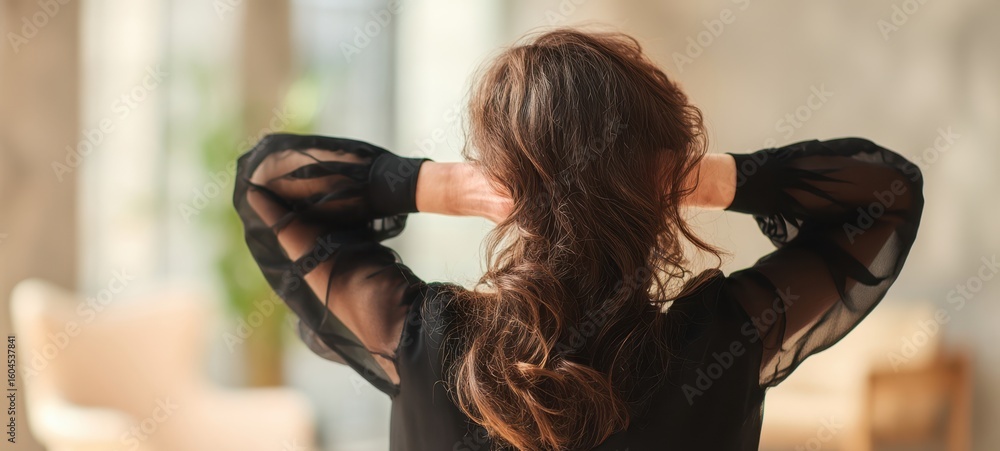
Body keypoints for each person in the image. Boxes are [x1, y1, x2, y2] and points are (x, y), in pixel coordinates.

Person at [233, 28, 923, 451]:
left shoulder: (422, 341)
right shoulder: (725, 341)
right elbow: (887, 192)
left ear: (503, 181)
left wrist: (431, 184)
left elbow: (265, 182)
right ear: (661, 181)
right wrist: (716, 179)